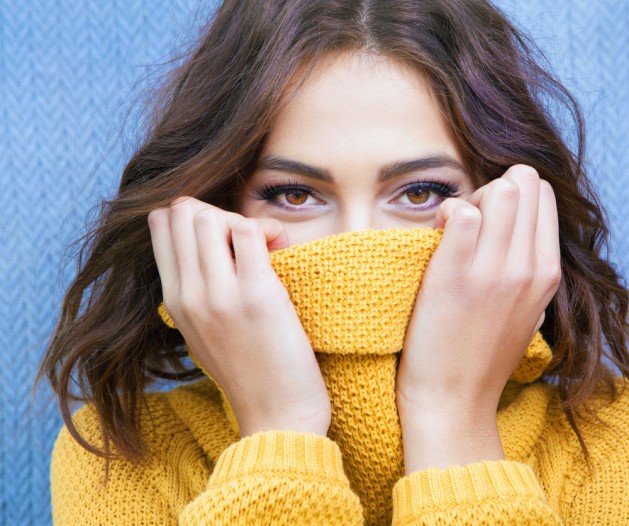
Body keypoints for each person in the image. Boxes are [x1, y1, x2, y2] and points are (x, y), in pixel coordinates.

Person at [40, 1, 629, 524]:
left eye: (420, 192)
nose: (358, 243)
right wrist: (278, 430)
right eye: (294, 194)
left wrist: (454, 422)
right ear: (215, 210)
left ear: (512, 209)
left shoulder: (612, 443)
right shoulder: (121, 452)